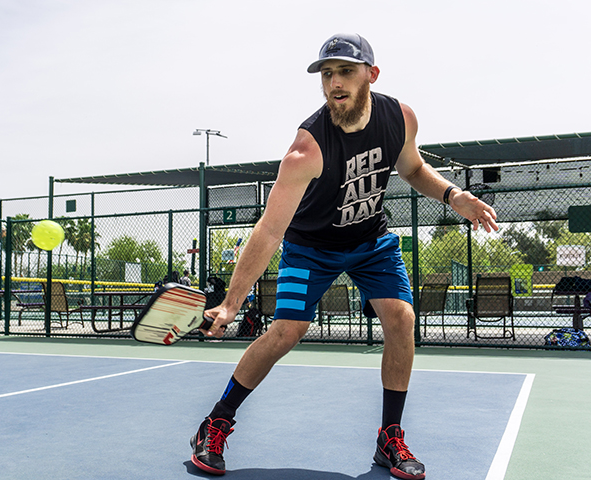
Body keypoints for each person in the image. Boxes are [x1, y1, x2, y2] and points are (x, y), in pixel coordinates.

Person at [189, 33, 498, 479]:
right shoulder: (305, 150)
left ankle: (389, 438)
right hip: (310, 250)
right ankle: (215, 423)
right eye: (327, 73)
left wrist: (452, 195)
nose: (334, 82)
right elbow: (269, 230)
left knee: (401, 318)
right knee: (286, 332)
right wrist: (232, 303)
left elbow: (411, 168)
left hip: (371, 242)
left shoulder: (400, 118)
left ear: (371, 75)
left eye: (346, 71)